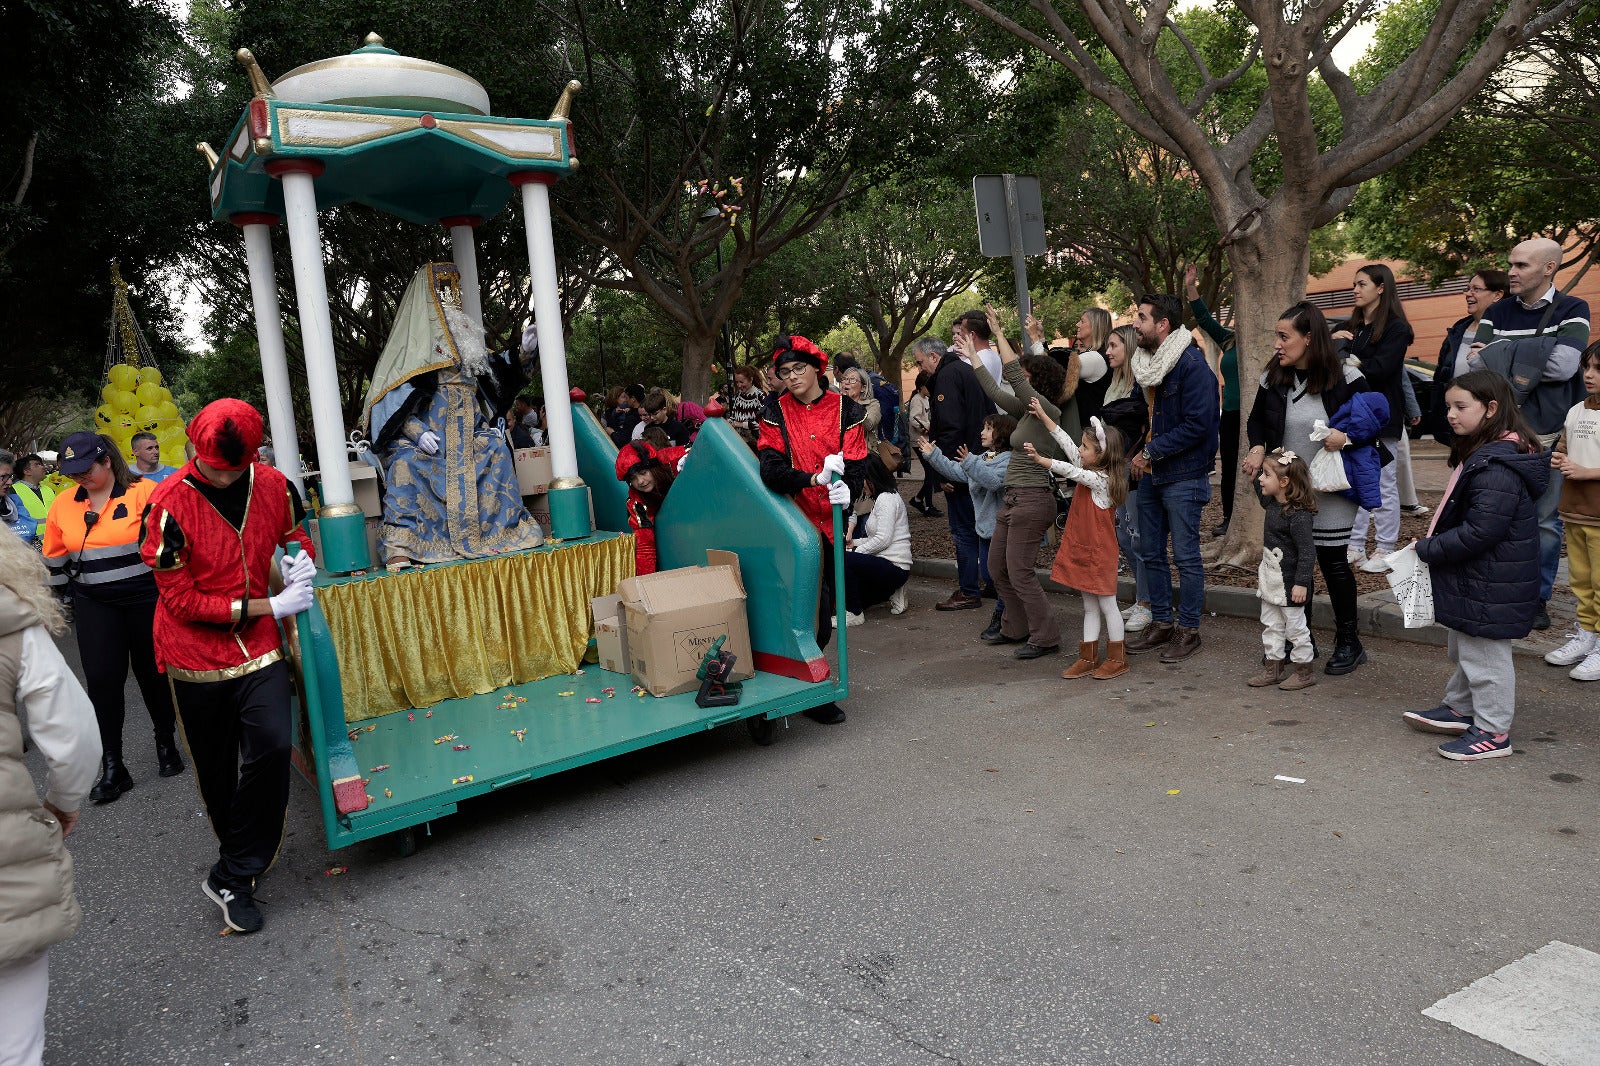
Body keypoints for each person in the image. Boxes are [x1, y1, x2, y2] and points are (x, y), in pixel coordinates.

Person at [141, 399, 316, 933]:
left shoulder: (275, 485)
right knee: (216, 771)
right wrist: (270, 605)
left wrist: (298, 559)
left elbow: (294, 533)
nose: (220, 476)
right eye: (212, 465)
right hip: (195, 654)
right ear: (195, 448)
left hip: (259, 646)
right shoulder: (168, 504)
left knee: (268, 746)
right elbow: (182, 603)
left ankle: (235, 872)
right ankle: (234, 866)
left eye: (232, 469)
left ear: (255, 455)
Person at [1403, 371, 1547, 760]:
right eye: (1449, 406)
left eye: (1461, 406)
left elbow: (1481, 531)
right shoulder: (1487, 454)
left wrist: (1429, 547)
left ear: (1491, 409)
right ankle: (1460, 708)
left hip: (1490, 580)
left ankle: (1494, 732)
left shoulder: (1497, 466)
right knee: (1465, 646)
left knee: (1486, 658)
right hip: (1481, 577)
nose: (1451, 414)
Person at [360, 264, 545, 568]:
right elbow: (389, 402)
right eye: (441, 291)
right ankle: (402, 546)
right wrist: (416, 432)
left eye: (452, 290)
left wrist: (524, 351)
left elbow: (494, 370)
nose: (449, 299)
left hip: (472, 435)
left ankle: (505, 534)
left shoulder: (467, 341)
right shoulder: (411, 350)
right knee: (407, 464)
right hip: (429, 440)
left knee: (497, 451)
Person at [0, 528, 101, 1066]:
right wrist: (65, 803)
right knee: (16, 1048)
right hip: (5, 857)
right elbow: (73, 733)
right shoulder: (11, 617)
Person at [41, 431, 180, 802]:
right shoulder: (63, 504)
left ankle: (166, 742)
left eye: (86, 469)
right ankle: (114, 766)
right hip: (94, 603)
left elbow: (172, 545)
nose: (79, 477)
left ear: (107, 461)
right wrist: (52, 603)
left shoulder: (145, 492)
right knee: (102, 681)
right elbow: (55, 559)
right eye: (72, 472)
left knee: (154, 674)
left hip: (146, 598)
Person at [1245, 302, 1381, 675]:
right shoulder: (1273, 377)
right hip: (1288, 491)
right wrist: (1257, 448)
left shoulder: (1347, 378)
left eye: (1284, 336)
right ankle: (1298, 641)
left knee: (1333, 563)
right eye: (1277, 335)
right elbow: (1257, 421)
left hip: (1331, 489)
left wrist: (1346, 436)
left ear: (1309, 338)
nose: (1277, 344)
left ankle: (1349, 642)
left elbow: (1378, 424)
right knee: (1290, 563)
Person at [1471, 237, 1593, 631]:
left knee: (1543, 520)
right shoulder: (1498, 309)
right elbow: (1474, 366)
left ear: (1548, 268)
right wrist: (1537, 349)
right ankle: (1499, 589)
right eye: (1510, 263)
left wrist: (1502, 351)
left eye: (1521, 265)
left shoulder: (1574, 308)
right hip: (1500, 434)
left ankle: (1536, 598)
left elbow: (1564, 366)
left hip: (1549, 436)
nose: (1511, 271)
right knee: (1495, 513)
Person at [756, 335, 867, 724]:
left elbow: (856, 465)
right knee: (812, 608)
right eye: (784, 372)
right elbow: (769, 469)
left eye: (798, 369)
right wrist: (811, 478)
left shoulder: (846, 409)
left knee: (828, 608)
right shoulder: (775, 410)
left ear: (816, 368)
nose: (792, 377)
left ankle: (810, 680)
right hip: (796, 522)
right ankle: (814, 690)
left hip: (833, 522)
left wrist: (845, 492)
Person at [967, 305, 1074, 659]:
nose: (1018, 377)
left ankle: (1046, 636)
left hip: (1033, 499)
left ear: (1036, 381)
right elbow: (996, 392)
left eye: (1025, 375)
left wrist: (998, 333)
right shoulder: (1025, 412)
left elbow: (1012, 375)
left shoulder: (1047, 411)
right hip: (1013, 500)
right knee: (997, 567)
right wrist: (975, 359)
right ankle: (1015, 627)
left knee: (1020, 571)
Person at [1124, 294, 1220, 663]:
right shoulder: (1146, 363)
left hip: (1183, 475)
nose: (1136, 324)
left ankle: (1189, 630)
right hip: (1151, 474)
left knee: (1185, 557)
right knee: (1150, 552)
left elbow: (1199, 425)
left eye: (1142, 318)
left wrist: (1151, 450)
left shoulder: (1193, 366)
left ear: (1162, 325)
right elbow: (1140, 415)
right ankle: (1162, 623)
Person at [1027, 406, 1130, 679]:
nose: (1080, 450)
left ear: (1101, 454)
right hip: (1086, 551)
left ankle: (1118, 658)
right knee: (1089, 606)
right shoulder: (1089, 464)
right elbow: (1063, 439)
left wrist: (1043, 461)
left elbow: (1072, 472)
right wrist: (1044, 415)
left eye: (1085, 447)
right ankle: (1089, 656)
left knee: (1108, 605)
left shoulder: (1100, 480)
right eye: (1082, 446)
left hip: (1101, 554)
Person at [1335, 264, 1414, 573]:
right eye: (1354, 284)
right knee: (1353, 480)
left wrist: (1349, 356)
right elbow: (1332, 359)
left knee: (1383, 483)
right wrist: (1337, 344)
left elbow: (1382, 369)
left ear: (1381, 287)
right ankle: (1355, 546)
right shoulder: (1350, 326)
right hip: (1352, 416)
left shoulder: (1396, 328)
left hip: (1383, 417)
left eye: (1362, 284)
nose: (1355, 289)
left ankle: (1385, 548)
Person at [918, 413, 1015, 640]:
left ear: (1002, 433)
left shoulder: (1009, 459)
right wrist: (934, 455)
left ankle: (1002, 616)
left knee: (999, 576)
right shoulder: (983, 458)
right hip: (984, 530)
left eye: (989, 428)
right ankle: (1009, 612)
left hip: (1001, 529)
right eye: (983, 427)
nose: (982, 432)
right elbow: (957, 471)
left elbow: (992, 481)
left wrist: (970, 462)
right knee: (991, 576)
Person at [911, 337, 989, 609]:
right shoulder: (965, 371)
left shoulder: (947, 376)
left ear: (934, 357)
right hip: (978, 460)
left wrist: (945, 472)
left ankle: (969, 590)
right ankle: (989, 583)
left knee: (964, 530)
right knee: (981, 526)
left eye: (921, 362)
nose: (921, 369)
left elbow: (950, 428)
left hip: (961, 464)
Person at [1544, 341, 1600, 680]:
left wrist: (1587, 472)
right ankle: (1586, 636)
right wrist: (1559, 458)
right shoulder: (1577, 409)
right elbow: (1565, 446)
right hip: (1575, 512)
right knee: (1581, 580)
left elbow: (1585, 465)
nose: (1590, 375)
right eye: (1587, 367)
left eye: (1598, 369)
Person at [1246, 449, 1318, 690]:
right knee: (1271, 624)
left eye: (1266, 475)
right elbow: (1259, 488)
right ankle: (1273, 668)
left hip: (1290, 584)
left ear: (1284, 482)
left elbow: (1307, 552)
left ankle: (1304, 672)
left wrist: (1301, 583)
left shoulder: (1298, 516)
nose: (1261, 479)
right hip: (1271, 580)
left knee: (1296, 629)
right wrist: (1256, 464)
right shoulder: (1272, 503)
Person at [1100, 325, 1153, 633]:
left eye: (1114, 345)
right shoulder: (1114, 383)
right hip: (1115, 469)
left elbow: (1149, 422)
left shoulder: (1141, 383)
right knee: (1124, 537)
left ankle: (1147, 604)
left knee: (1138, 537)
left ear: (1129, 347)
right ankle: (1141, 597)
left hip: (1135, 470)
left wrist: (1143, 454)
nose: (1108, 351)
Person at [1185, 264, 1242, 536]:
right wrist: (1191, 287)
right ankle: (1230, 518)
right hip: (1230, 413)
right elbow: (1205, 320)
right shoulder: (1230, 340)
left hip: (1255, 413)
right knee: (1229, 467)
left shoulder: (1269, 342)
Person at [1428, 270, 1509, 446]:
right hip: (1458, 428)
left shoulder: (1509, 331)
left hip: (1493, 426)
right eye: (1468, 288)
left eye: (1476, 289)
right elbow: (1440, 378)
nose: (1468, 294)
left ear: (1497, 295)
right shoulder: (1457, 330)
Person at [842, 454, 911, 623]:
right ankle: (891, 591)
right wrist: (855, 543)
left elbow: (883, 540)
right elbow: (877, 537)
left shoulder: (886, 499)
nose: (861, 484)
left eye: (862, 479)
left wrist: (855, 551)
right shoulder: (882, 498)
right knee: (859, 596)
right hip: (888, 564)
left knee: (845, 560)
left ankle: (854, 614)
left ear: (871, 478)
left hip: (894, 566)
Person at [615, 439, 688, 576]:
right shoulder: (637, 503)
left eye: (643, 472)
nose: (640, 481)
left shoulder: (673, 460)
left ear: (652, 466)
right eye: (633, 478)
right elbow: (645, 547)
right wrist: (645, 585)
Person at [907, 372, 940, 517]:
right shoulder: (917, 400)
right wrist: (927, 426)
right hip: (919, 441)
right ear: (921, 386)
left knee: (931, 473)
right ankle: (927, 505)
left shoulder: (925, 398)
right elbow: (914, 419)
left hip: (925, 440)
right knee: (930, 473)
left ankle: (919, 500)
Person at [952, 310, 1006, 397]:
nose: (959, 335)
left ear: (972, 335)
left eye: (961, 331)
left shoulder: (969, 365)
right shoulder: (995, 356)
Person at [839, 367, 883, 448]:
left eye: (852, 379)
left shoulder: (872, 404)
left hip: (865, 455)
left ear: (863, 388)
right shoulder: (837, 404)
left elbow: (868, 425)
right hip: (840, 454)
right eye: (844, 379)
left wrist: (849, 402)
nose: (846, 382)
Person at [1, 455, 40, 545]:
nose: (10, 482)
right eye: (4, 477)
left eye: (10, 476)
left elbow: (34, 543)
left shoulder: (15, 502)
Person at [10, 455, 55, 525]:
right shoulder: (12, 491)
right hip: (28, 535)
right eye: (37, 464)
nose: (43, 467)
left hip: (53, 535)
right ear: (27, 472)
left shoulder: (49, 490)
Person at [728, 365, 768, 438]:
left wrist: (741, 424)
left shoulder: (760, 396)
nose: (739, 385)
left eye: (741, 382)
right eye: (737, 382)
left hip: (756, 443)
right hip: (739, 442)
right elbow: (733, 417)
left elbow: (764, 423)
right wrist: (727, 422)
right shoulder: (738, 395)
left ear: (751, 379)